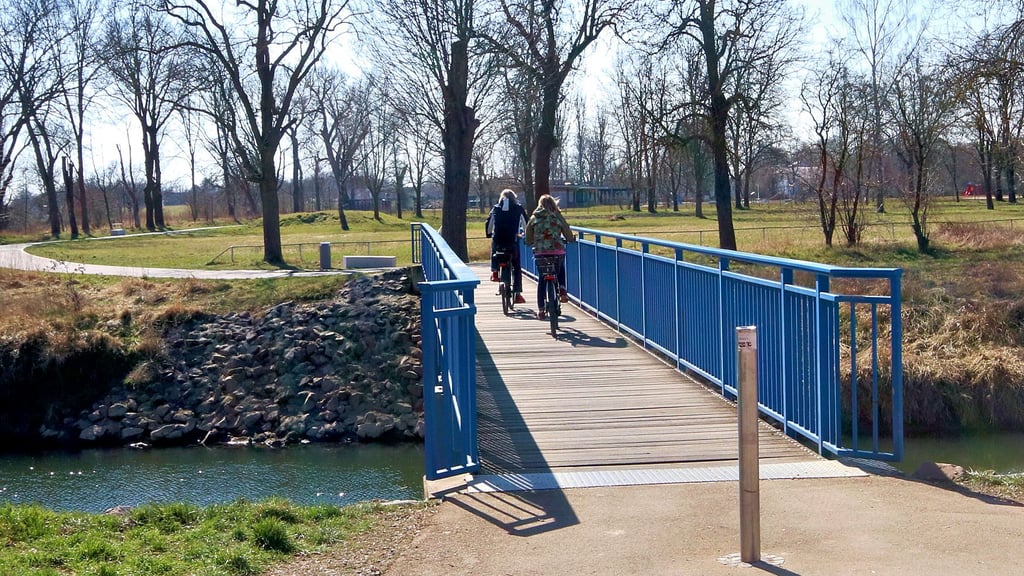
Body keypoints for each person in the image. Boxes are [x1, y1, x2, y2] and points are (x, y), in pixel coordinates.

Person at [525, 194, 575, 320]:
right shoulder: (557, 216)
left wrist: (529, 242)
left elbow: (528, 236)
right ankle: (562, 289)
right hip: (557, 250)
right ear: (553, 204)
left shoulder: (534, 217)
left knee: (542, 278)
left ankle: (541, 310)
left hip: (540, 253)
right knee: (560, 267)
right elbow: (566, 230)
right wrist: (570, 239)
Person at [485, 189, 527, 304]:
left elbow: (489, 223)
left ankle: (494, 271)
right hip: (512, 241)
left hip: (498, 241)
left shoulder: (496, 208)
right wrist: (526, 236)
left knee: (494, 248)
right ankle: (517, 294)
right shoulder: (518, 208)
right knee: (516, 266)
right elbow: (525, 224)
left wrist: (489, 234)